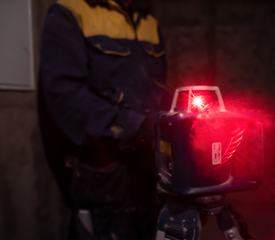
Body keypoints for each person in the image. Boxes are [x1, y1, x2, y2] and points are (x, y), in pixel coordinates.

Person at [37, 0, 170, 239]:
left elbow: (160, 88)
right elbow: (64, 94)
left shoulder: (148, 20)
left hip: (150, 171)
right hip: (103, 170)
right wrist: (137, 128)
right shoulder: (71, 10)